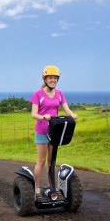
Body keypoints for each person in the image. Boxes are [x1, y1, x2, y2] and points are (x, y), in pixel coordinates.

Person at [30, 66, 77, 196]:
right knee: (41, 161)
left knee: (52, 161)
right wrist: (43, 117)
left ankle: (52, 187)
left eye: (55, 78)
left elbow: (66, 109)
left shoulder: (60, 93)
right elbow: (34, 114)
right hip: (42, 131)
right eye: (50, 78)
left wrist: (72, 114)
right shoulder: (38, 94)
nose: (53, 80)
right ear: (45, 79)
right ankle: (37, 188)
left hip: (54, 131)